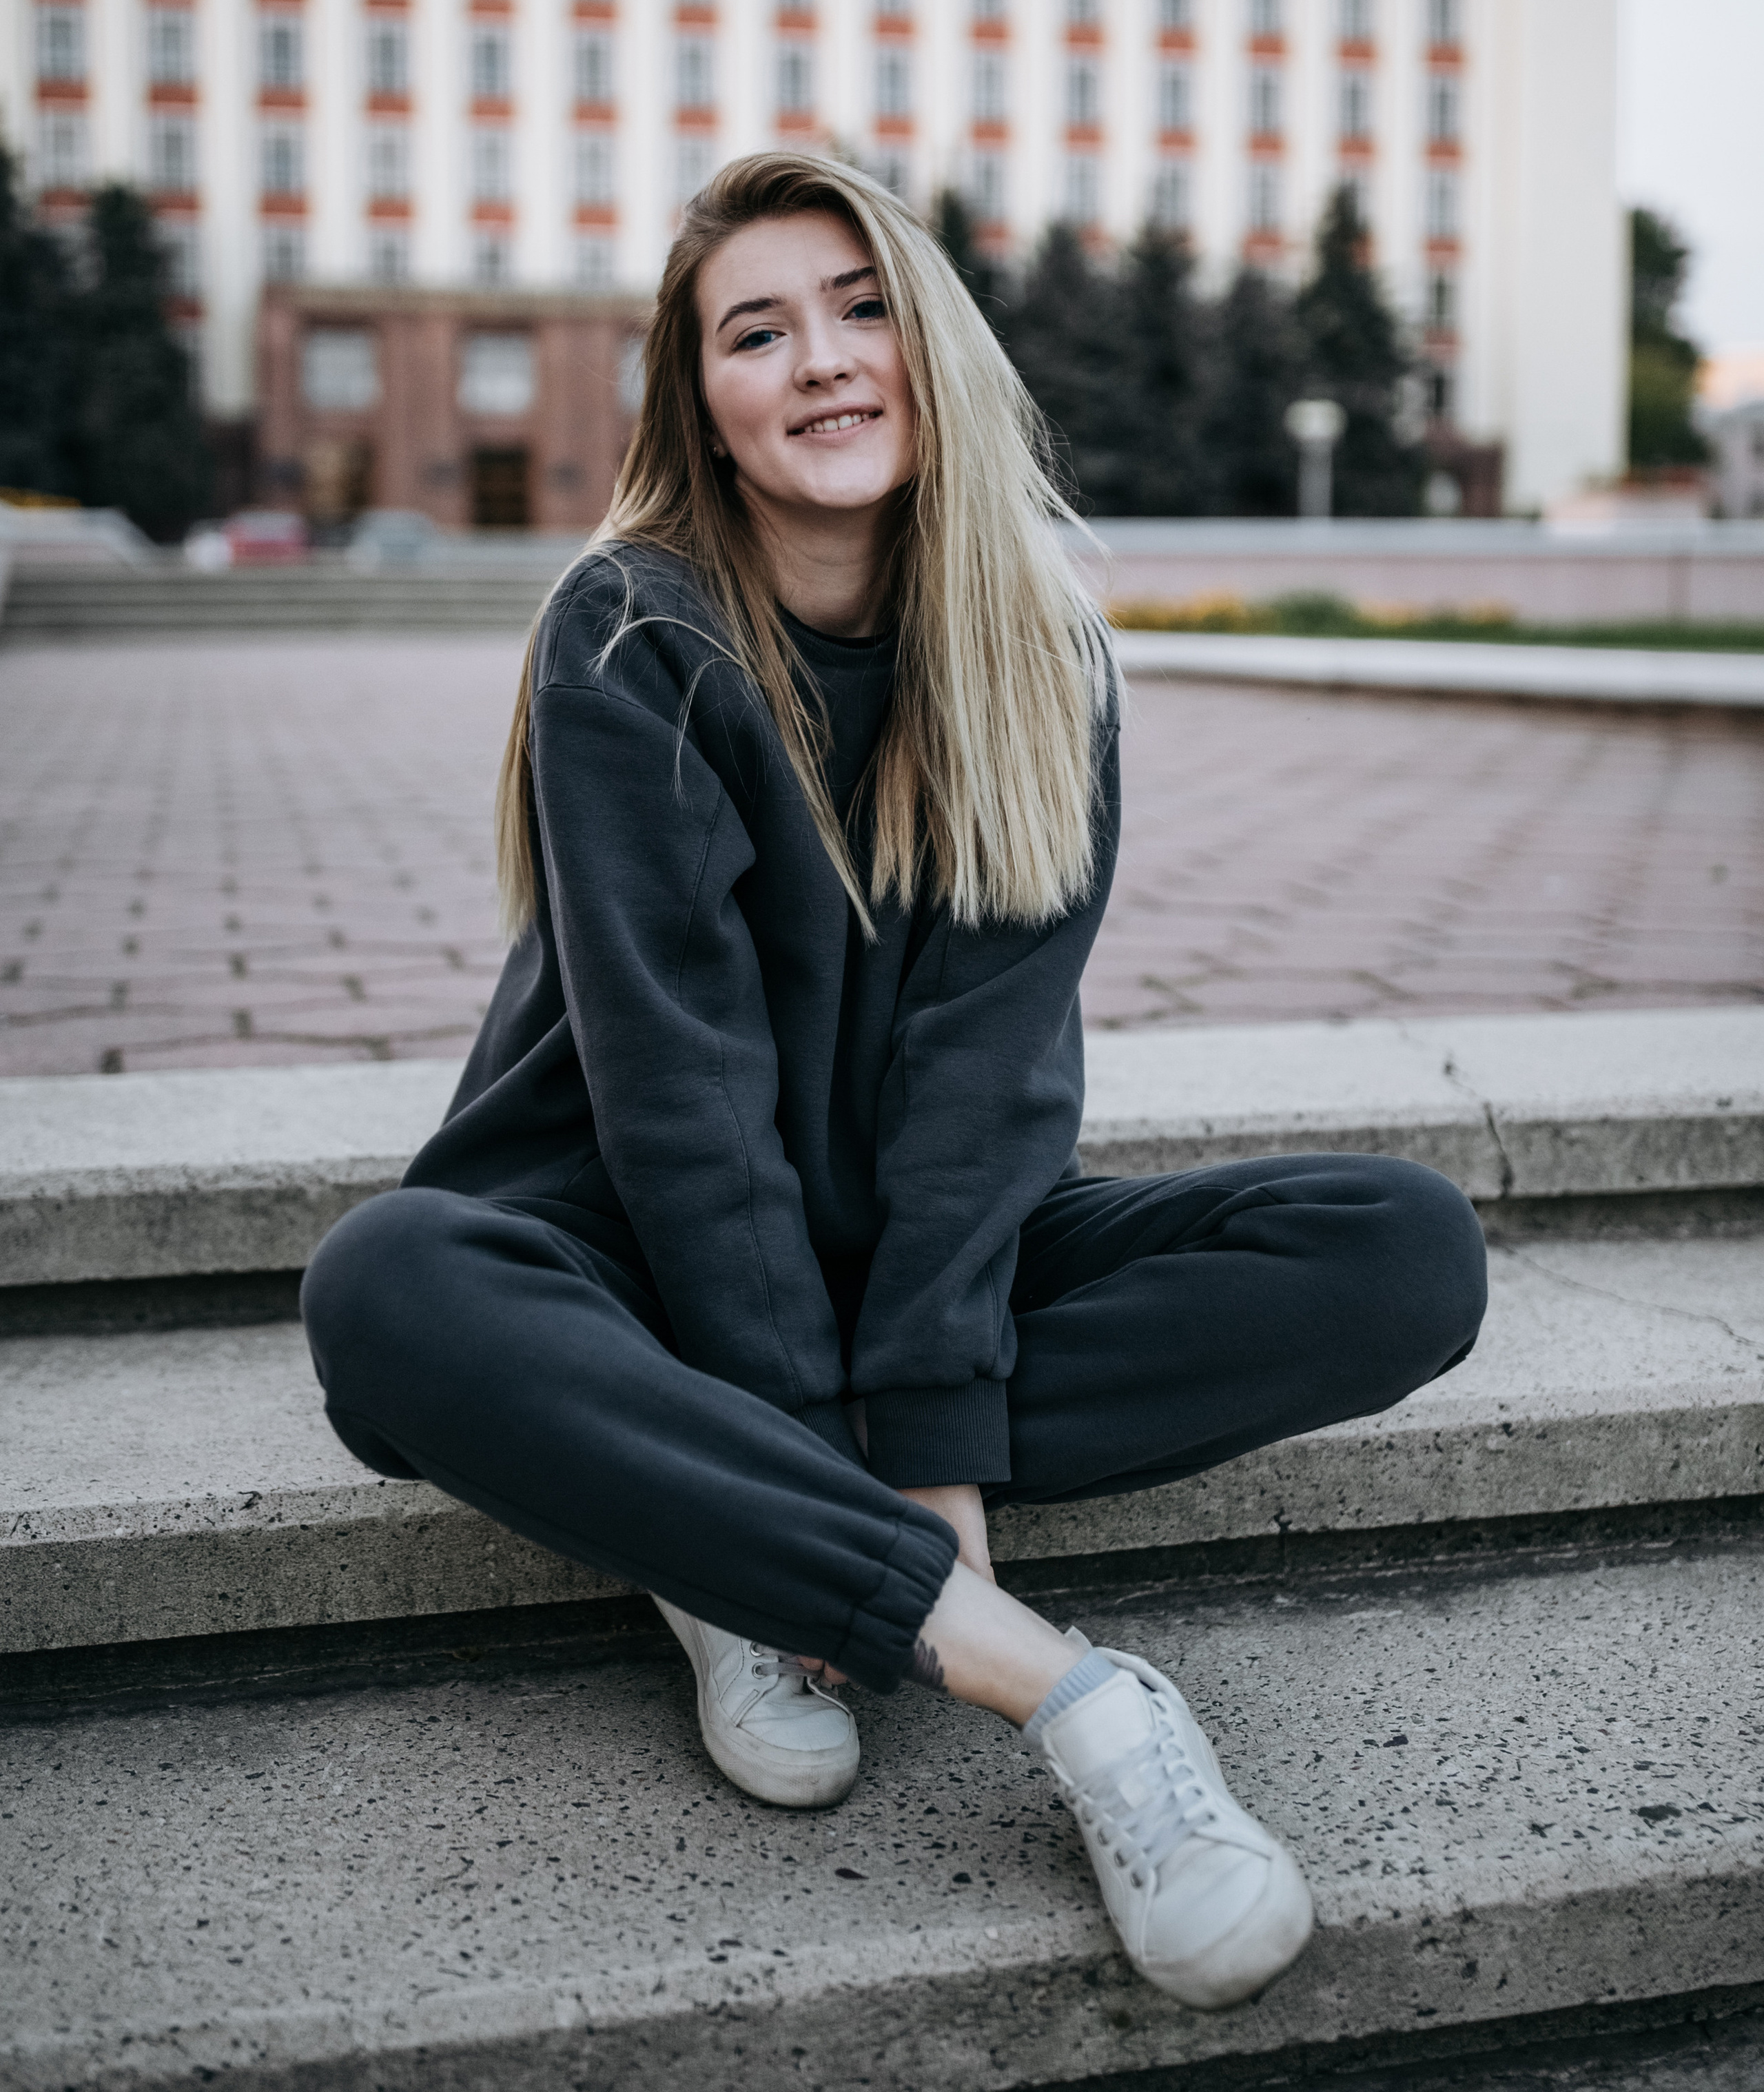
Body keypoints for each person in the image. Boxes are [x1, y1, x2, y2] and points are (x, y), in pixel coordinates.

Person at [301, 151, 1486, 2011]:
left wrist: (932, 1416)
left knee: (1403, 1247)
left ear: (933, 345)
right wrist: (845, 1449)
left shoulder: (1040, 658)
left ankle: (700, 1512)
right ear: (704, 400)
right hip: (617, 1251)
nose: (824, 360)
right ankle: (1070, 1693)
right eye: (757, 332)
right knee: (386, 1285)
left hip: (904, 1267)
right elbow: (680, 1092)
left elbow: (989, 1081)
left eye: (862, 309)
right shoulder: (633, 632)